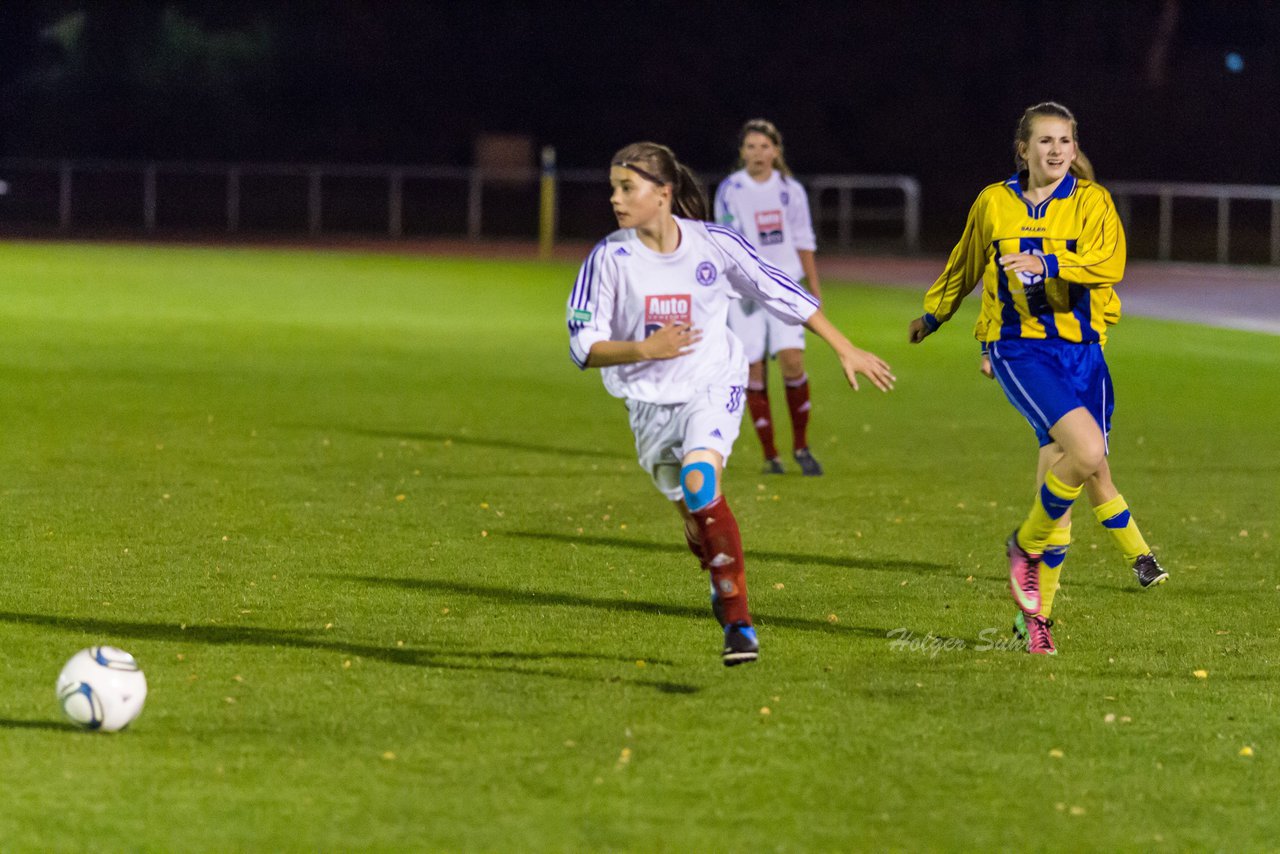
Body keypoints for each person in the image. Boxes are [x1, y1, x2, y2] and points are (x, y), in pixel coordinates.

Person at [568, 141, 895, 666]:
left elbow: (778, 290)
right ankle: (712, 555)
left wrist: (844, 346)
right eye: (613, 188)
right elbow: (582, 346)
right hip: (649, 405)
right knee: (696, 519)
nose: (615, 198)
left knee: (702, 481)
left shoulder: (713, 245)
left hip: (712, 383)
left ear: (663, 193)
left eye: (626, 187)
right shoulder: (610, 258)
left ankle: (738, 621)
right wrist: (644, 349)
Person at [907, 102, 1167, 656]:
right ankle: (1027, 547)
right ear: (1022, 150)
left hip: (1084, 354)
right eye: (1044, 141)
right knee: (1088, 453)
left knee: (1079, 470)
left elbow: (1110, 266)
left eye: (1065, 141)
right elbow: (965, 261)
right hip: (1020, 350)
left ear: (1075, 149)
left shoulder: (1092, 202)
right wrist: (935, 313)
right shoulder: (994, 202)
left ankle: (1036, 620)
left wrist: (1048, 266)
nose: (1056, 151)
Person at [714, 119, 825, 475]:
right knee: (753, 371)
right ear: (741, 153)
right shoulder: (731, 189)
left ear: (776, 151)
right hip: (746, 293)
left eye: (764, 147)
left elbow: (804, 240)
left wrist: (814, 289)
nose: (757, 154)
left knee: (793, 362)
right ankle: (770, 455)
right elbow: (725, 242)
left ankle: (802, 447)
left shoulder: (790, 190)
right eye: (750, 147)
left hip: (786, 287)